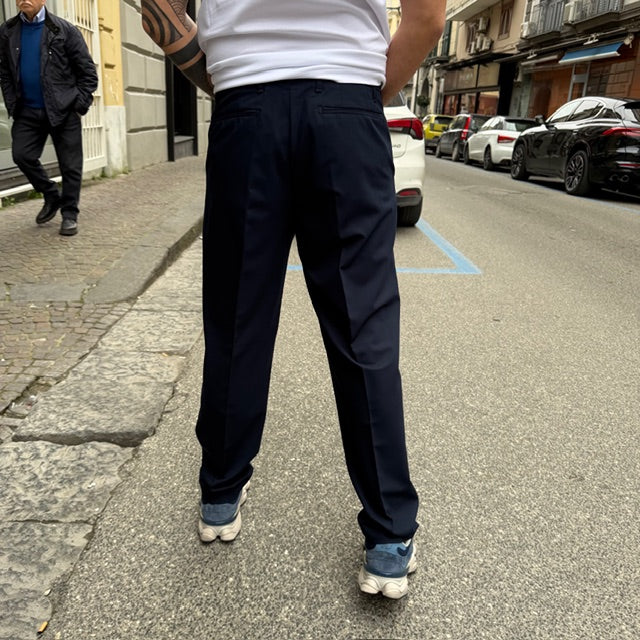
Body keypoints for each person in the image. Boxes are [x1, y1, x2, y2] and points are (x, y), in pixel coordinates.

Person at [141, 0, 444, 598]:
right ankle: (388, 538)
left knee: (237, 314)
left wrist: (234, 74)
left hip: (245, 108)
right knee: (363, 325)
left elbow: (157, 10)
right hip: (347, 103)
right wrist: (359, 89)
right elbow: (429, 17)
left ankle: (220, 495)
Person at [0, 0, 98, 236]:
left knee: (70, 165)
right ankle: (51, 194)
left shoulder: (64, 30)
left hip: (63, 110)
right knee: (21, 155)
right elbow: (4, 71)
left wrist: (78, 105)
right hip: (27, 110)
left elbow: (88, 73)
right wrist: (13, 103)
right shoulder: (7, 30)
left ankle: (69, 214)